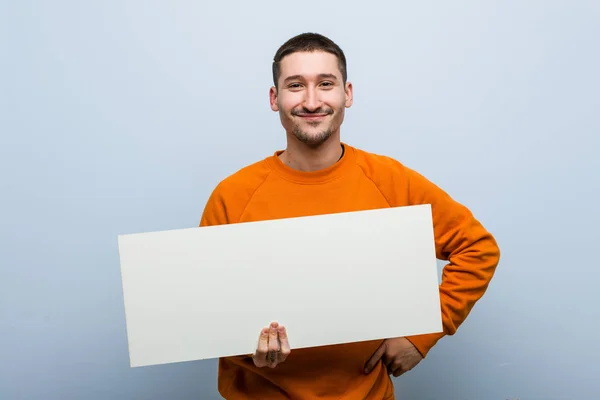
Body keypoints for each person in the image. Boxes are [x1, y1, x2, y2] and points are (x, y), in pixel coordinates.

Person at [199, 32, 500, 400]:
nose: (311, 101)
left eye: (326, 84)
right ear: (274, 98)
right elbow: (210, 308)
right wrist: (245, 346)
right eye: (295, 86)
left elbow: (477, 248)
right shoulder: (233, 195)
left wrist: (421, 335)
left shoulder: (389, 181)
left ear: (348, 94)